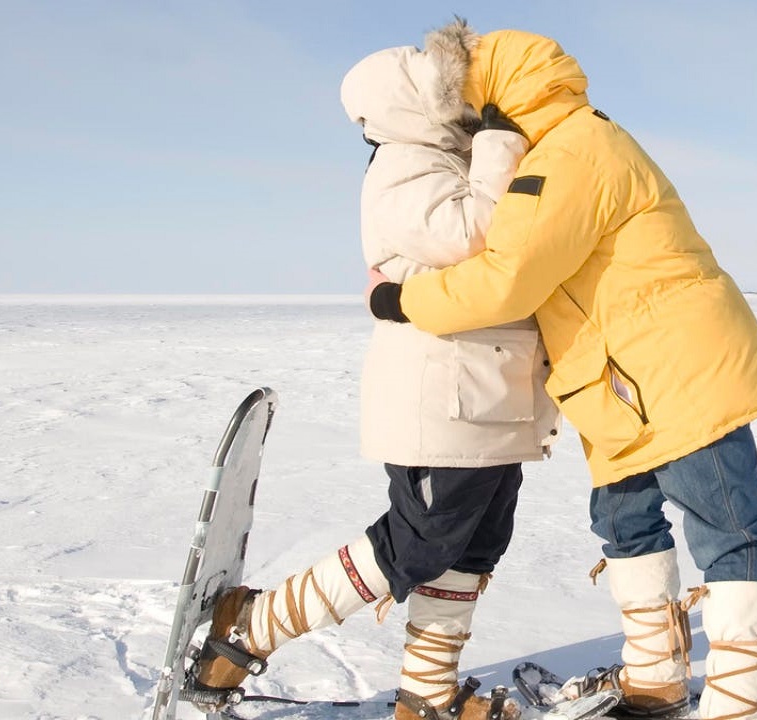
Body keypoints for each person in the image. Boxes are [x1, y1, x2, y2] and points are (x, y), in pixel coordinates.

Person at [367, 19, 757, 720]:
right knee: (625, 525)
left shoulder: (574, 153)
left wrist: (398, 298)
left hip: (679, 372)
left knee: (727, 526)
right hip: (616, 385)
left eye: (466, 103)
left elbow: (509, 278)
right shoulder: (565, 148)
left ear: (498, 94)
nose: (463, 121)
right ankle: (655, 677)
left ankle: (744, 695)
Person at [191, 28, 560, 720]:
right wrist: (502, 143)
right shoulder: (403, 169)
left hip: (492, 396)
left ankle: (425, 694)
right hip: (442, 401)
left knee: (474, 545)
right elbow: (474, 235)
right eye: (451, 92)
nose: (470, 103)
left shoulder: (448, 158)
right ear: (414, 104)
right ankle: (248, 627)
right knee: (419, 542)